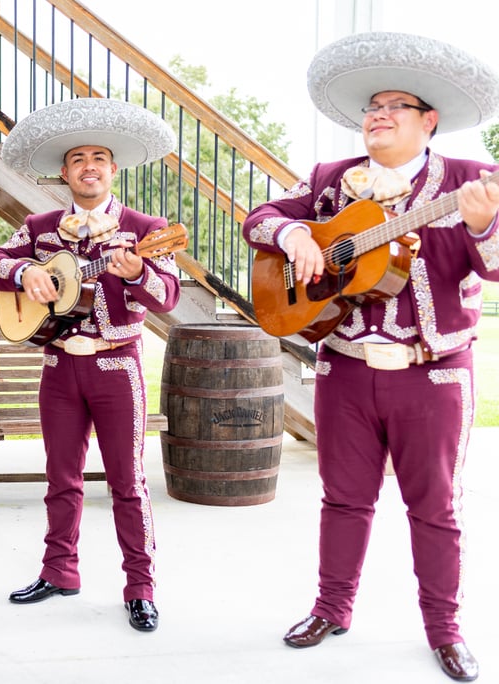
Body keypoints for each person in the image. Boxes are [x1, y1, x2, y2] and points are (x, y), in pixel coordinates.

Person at [243, 32, 499, 682]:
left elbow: (495, 268)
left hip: (433, 374)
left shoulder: (472, 182)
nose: (376, 114)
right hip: (346, 370)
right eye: (371, 107)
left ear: (428, 120)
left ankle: (444, 630)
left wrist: (481, 228)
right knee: (343, 499)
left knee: (436, 507)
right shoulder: (332, 182)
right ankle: (331, 609)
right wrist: (298, 232)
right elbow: (259, 218)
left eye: (394, 106)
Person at [0, 98, 181, 632]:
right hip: (59, 368)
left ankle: (140, 587)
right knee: (60, 477)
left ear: (113, 170)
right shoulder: (41, 225)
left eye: (99, 158)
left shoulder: (146, 227)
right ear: (65, 172)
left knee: (128, 482)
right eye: (78, 159)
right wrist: (24, 275)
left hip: (117, 369)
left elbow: (166, 297)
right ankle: (58, 571)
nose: (89, 166)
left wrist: (137, 271)